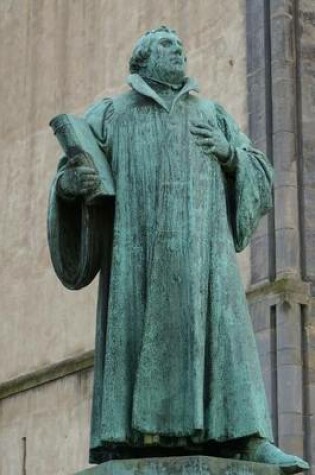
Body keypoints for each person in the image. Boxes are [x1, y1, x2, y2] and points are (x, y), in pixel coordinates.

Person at [48, 26, 309, 472]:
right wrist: (71, 188)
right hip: (139, 263)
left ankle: (247, 439)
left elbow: (261, 173)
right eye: (166, 44)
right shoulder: (111, 115)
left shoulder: (211, 112)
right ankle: (126, 441)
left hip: (206, 264)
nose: (178, 49)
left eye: (180, 45)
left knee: (227, 339)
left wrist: (231, 156)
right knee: (134, 335)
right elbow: (71, 173)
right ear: (141, 59)